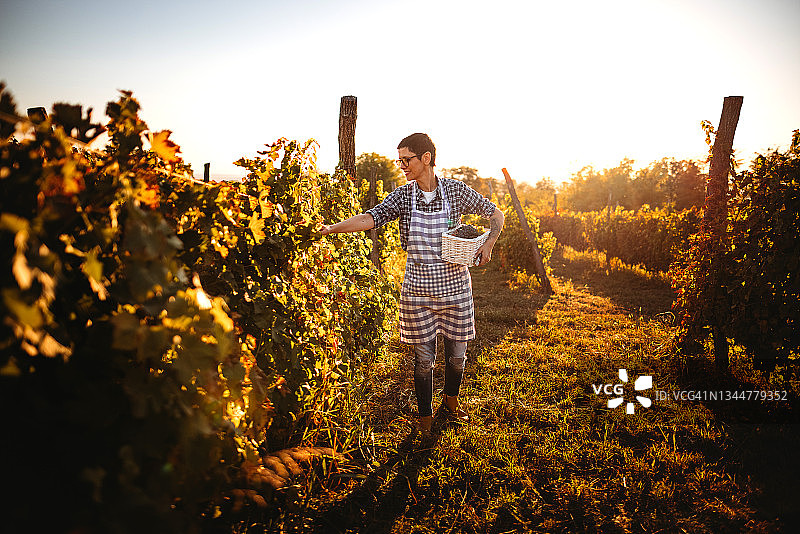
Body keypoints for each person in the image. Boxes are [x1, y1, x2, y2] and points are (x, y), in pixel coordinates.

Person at [320, 133, 504, 436]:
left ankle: (450, 403)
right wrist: (332, 229)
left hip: (456, 289)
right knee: (423, 360)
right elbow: (370, 218)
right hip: (418, 291)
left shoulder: (456, 192)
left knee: (457, 357)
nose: (402, 165)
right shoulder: (403, 196)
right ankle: (424, 419)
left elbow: (496, 214)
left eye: (407, 159)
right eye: (400, 160)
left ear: (426, 158)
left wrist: (489, 244)